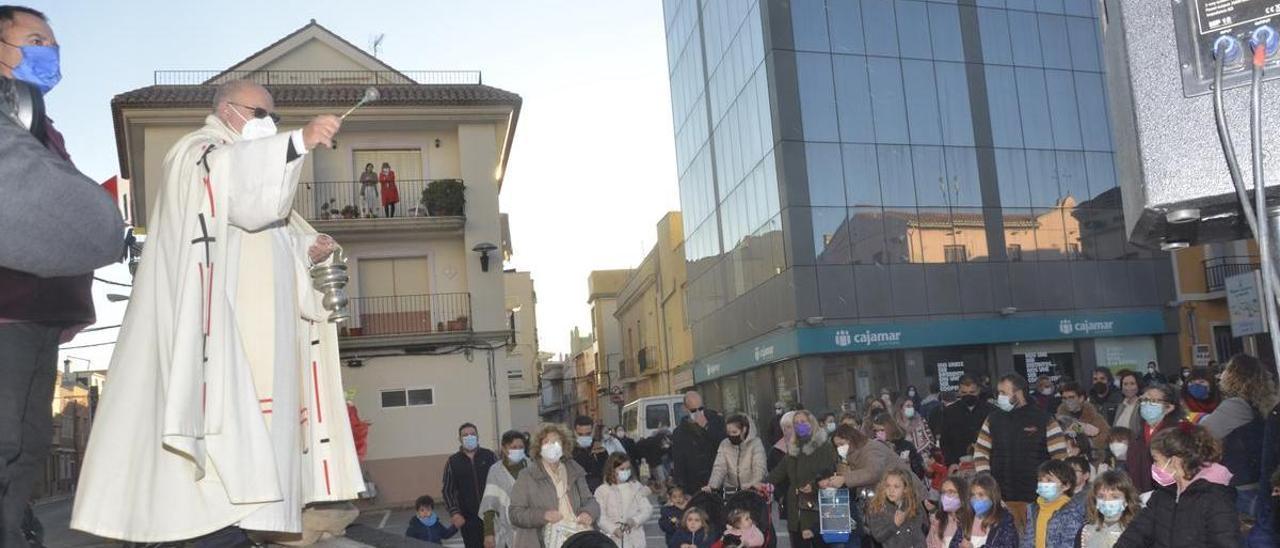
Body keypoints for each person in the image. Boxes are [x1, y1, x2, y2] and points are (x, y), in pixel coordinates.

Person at [71, 80, 362, 542]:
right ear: (227, 110)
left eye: (274, 117)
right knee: (219, 475)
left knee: (260, 466)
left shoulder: (259, 170)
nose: (268, 124)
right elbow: (245, 198)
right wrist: (297, 141)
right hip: (227, 341)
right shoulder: (198, 152)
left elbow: (272, 232)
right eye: (259, 113)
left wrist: (309, 250)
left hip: (267, 346)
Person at [0, 7, 125, 545]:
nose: (49, 53)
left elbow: (64, 219)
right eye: (35, 40)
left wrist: (77, 305)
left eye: (53, 44)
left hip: (41, 318)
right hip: (6, 315)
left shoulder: (39, 123)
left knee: (26, 449)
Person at [1114, 425, 1241, 547]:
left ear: (1174, 461)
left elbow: (1225, 542)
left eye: (1156, 460)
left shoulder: (1216, 498)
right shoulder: (1163, 495)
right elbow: (1136, 533)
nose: (1154, 466)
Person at [973, 374, 1067, 533]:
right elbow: (981, 452)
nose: (999, 397)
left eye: (1004, 392)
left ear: (1019, 393)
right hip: (1002, 498)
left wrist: (1051, 487)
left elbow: (1060, 458)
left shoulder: (1044, 419)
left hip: (1037, 499)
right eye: (998, 393)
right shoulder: (993, 419)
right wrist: (987, 484)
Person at [1200, 353, 1277, 516]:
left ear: (1234, 376)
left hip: (1242, 485)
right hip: (1263, 479)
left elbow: (1202, 433)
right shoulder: (1269, 403)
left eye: (1226, 370)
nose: (1221, 375)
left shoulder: (1235, 406)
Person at [508, 424, 599, 548]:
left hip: (577, 537)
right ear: (539, 448)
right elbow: (515, 513)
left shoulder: (575, 470)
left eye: (556, 442)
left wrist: (588, 513)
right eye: (546, 442)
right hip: (540, 541)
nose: (551, 446)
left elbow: (590, 501)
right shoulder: (527, 476)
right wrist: (543, 515)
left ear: (564, 446)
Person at [762, 410, 838, 547]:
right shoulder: (793, 448)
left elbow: (829, 472)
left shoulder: (823, 447)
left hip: (818, 506)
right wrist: (762, 484)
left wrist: (814, 485)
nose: (799, 426)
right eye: (796, 423)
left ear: (812, 423)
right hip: (796, 508)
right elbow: (779, 472)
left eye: (803, 422)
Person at [441, 423, 500, 548]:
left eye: (472, 434)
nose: (469, 437)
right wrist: (455, 513)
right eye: (465, 435)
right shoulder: (453, 462)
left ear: (478, 436)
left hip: (493, 517)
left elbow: (501, 482)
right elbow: (447, 490)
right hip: (468, 520)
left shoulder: (489, 456)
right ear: (460, 439)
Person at [1126, 384, 1186, 493]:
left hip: (1169, 493)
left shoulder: (1177, 435)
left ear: (1169, 407)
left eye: (1153, 401)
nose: (1146, 404)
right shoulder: (1137, 434)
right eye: (1144, 400)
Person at [1020, 460, 1086, 548]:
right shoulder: (1033, 509)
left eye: (1049, 480)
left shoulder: (1072, 511)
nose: (1043, 484)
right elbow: (1028, 541)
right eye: (1040, 480)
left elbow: (1069, 543)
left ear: (1066, 486)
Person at [481, 431, 529, 548]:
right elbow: (489, 505)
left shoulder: (532, 466)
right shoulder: (496, 471)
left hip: (530, 527)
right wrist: (488, 534)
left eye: (521, 447)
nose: (517, 450)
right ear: (504, 448)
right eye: (513, 447)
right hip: (506, 528)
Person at [671, 391, 726, 493]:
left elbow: (724, 444)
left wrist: (707, 427)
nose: (697, 413)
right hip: (694, 485)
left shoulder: (716, 420)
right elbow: (679, 462)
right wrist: (682, 488)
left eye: (700, 409)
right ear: (685, 409)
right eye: (693, 410)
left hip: (717, 480)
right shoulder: (679, 432)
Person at [932, 376, 994, 466]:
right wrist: (951, 463)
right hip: (959, 464)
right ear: (959, 392)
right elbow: (945, 442)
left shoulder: (991, 411)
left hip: (987, 462)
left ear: (979, 390)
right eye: (964, 392)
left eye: (972, 392)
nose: (968, 395)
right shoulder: (950, 412)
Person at [594, 453, 651, 548]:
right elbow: (600, 516)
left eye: (628, 469)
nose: (625, 472)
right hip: (612, 539)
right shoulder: (602, 491)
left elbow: (647, 509)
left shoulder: (636, 486)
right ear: (611, 470)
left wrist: (635, 520)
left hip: (636, 539)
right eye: (622, 469)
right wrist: (613, 529)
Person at [864, 468, 927, 548]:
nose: (891, 490)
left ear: (905, 489)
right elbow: (878, 536)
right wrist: (895, 524)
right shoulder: (877, 507)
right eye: (888, 486)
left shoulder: (913, 504)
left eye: (896, 487)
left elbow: (920, 530)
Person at [1077, 470, 1140, 548]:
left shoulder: (1137, 532)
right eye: (1101, 496)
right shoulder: (1086, 531)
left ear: (1127, 500)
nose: (1107, 501)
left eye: (1115, 497)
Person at [705, 414, 767, 493]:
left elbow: (759, 467)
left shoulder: (755, 444)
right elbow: (719, 468)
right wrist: (712, 486)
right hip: (731, 491)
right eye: (728, 433)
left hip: (752, 490)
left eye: (734, 432)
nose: (731, 435)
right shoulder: (724, 444)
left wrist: (753, 483)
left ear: (744, 430)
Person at [962, 472, 1019, 548]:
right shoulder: (967, 517)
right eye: (973, 495)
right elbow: (955, 543)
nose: (976, 500)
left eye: (981, 495)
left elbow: (1009, 545)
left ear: (993, 496)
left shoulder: (1004, 521)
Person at [1058, 382, 1111, 456]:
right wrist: (1081, 428)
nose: (1068, 401)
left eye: (1071, 397)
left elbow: (1106, 437)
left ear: (1081, 398)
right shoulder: (1058, 421)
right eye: (1064, 398)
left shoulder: (1096, 418)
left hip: (1093, 460)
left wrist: (1087, 444)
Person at [871, 412, 925, 479]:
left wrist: (908, 466)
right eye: (875, 431)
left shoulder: (906, 446)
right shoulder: (874, 449)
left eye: (882, 430)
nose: (878, 433)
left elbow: (920, 472)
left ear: (891, 428)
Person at [926, 476, 970, 548]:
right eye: (943, 492)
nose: (946, 496)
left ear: (962, 495)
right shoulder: (938, 521)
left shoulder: (971, 522)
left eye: (951, 492)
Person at [571, 415, 608, 492]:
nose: (584, 437)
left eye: (588, 434)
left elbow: (607, 471)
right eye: (580, 434)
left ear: (593, 431)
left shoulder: (600, 449)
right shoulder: (569, 451)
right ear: (574, 432)